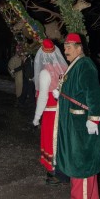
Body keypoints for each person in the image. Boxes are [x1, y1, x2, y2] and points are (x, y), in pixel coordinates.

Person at [53, 33, 100, 199]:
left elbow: (94, 94)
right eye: (64, 47)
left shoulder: (85, 65)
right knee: (86, 162)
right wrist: (61, 92)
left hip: (81, 123)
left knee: (80, 163)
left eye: (69, 47)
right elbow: (76, 90)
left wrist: (93, 119)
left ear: (79, 48)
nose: (65, 50)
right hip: (76, 122)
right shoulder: (76, 64)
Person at [32, 38, 68, 184]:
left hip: (50, 113)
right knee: (61, 141)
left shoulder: (45, 73)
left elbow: (42, 98)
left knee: (51, 142)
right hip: (63, 113)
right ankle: (64, 170)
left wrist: (36, 117)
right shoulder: (64, 68)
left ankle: (55, 173)